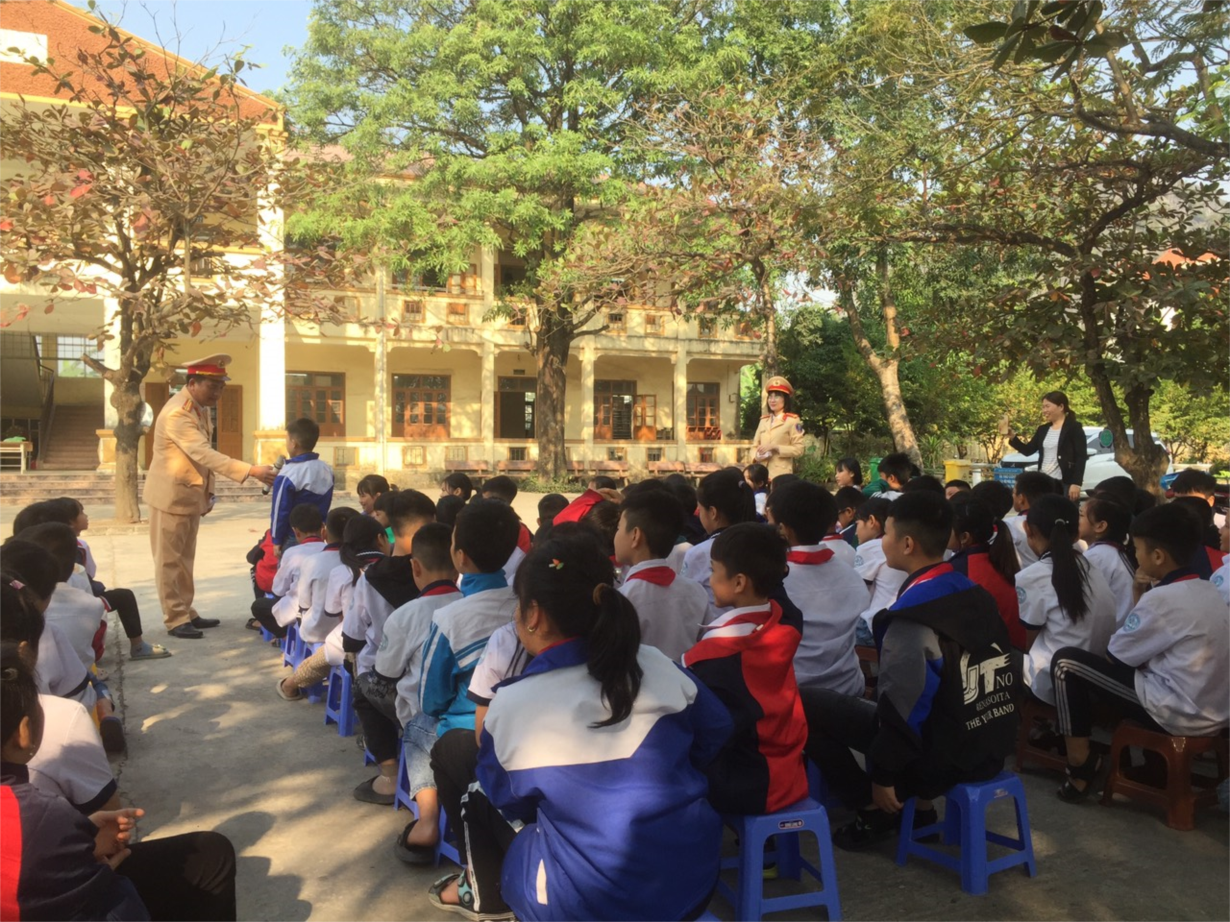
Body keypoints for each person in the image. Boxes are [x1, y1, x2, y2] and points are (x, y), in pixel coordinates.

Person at [427, 533, 731, 922]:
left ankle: (484, 891)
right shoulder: (658, 664)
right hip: (693, 881)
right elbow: (715, 730)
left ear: (533, 614)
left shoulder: (514, 705)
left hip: (585, 904)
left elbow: (510, 800)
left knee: (476, 791)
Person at [802, 492, 1019, 850]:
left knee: (805, 706)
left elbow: (903, 708)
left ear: (907, 544)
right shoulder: (974, 592)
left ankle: (873, 807)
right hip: (990, 743)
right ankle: (920, 809)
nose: (881, 541)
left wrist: (884, 774)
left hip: (940, 757)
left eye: (886, 533)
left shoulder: (913, 617)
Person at [0, 643, 240, 922]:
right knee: (212, 855)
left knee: (209, 851)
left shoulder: (40, 820)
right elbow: (123, 912)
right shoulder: (37, 815)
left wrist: (76, 840)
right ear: (24, 733)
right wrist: (100, 875)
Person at [1051, 503, 1230, 802]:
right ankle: (1151, 768)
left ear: (1157, 556)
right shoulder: (1207, 588)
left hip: (1178, 711)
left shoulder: (1164, 599)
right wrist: (1137, 593)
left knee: (1066, 664)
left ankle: (1080, 766)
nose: (1135, 556)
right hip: (1214, 711)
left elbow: (1116, 657)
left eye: (1137, 549)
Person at [143, 355, 276, 638]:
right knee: (169, 561)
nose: (218, 393)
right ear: (193, 383)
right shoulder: (178, 413)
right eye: (212, 387)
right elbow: (203, 453)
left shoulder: (198, 408)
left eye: (221, 387)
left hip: (188, 496)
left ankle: (186, 610)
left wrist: (208, 494)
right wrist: (251, 470)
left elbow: (201, 460)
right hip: (170, 498)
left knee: (184, 560)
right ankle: (175, 618)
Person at [680, 523, 807, 815]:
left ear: (739, 583)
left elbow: (707, 731)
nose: (710, 579)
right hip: (789, 768)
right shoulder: (786, 621)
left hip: (749, 783)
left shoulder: (717, 655)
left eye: (713, 570)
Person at [377, 523, 463, 864]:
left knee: (415, 724)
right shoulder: (472, 605)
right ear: (458, 564)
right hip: (474, 714)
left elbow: (386, 672)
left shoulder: (405, 615)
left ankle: (426, 815)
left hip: (425, 714)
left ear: (415, 566)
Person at [0, 575, 120, 816]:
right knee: (96, 685)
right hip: (58, 830)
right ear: (25, 653)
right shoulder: (60, 719)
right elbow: (111, 813)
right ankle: (106, 709)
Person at [348, 492, 435, 804]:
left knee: (363, 685)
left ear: (389, 529)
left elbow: (352, 635)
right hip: (442, 688)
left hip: (396, 689)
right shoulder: (451, 576)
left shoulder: (369, 578)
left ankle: (389, 775)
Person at [766, 481, 867, 695]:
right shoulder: (850, 574)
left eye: (770, 521)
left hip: (793, 694)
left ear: (783, 529)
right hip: (847, 690)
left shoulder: (771, 580)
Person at [1016, 495, 1117, 705]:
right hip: (1093, 677)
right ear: (1076, 533)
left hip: (1052, 681)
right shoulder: (1092, 566)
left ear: (1028, 529)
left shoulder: (1031, 576)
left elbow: (1027, 641)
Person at [614, 490, 709, 661]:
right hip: (688, 677)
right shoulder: (696, 591)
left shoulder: (623, 599)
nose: (615, 534)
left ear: (635, 536)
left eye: (619, 528)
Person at [276, 507, 358, 699]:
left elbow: (304, 603)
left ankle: (292, 684)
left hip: (322, 631)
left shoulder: (314, 561)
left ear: (324, 532)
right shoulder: (362, 565)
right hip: (357, 636)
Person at [947, 493, 1024, 649]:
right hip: (1016, 651)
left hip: (993, 655)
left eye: (945, 527)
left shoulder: (959, 571)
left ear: (965, 537)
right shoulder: (1000, 557)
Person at [682, 468, 758, 624]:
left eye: (700, 509)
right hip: (759, 628)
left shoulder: (700, 553)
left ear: (713, 512)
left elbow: (686, 601)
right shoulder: (760, 544)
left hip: (716, 632)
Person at [251, 504, 325, 639]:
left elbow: (278, 589)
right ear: (322, 528)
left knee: (259, 606)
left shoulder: (292, 553)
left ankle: (286, 637)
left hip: (301, 613)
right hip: (327, 613)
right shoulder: (331, 551)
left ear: (296, 532)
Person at [1003, 390, 1087, 502]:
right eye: (1043, 407)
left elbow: (1081, 457)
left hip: (1064, 483)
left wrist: (1076, 483)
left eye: (1047, 406)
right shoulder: (1043, 429)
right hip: (1044, 483)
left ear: (1061, 407)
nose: (1044, 411)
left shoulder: (1074, 428)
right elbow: (1028, 450)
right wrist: (1013, 437)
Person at [268, 417, 334, 551]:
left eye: (287, 440)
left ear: (293, 443)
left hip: (294, 537)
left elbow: (280, 510)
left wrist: (276, 540)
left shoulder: (289, 473)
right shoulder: (326, 469)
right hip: (318, 536)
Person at [852, 498, 907, 647]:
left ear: (871, 521)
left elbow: (858, 593)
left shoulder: (870, 547)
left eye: (857, 524)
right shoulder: (903, 544)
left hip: (872, 626)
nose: (855, 532)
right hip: (900, 623)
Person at [1078, 497, 1137, 626]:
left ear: (1100, 526)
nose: (1076, 521)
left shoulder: (1096, 556)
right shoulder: (1110, 552)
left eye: (1081, 515)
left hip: (1112, 631)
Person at [750, 376, 805, 481]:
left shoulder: (793, 421)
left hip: (781, 476)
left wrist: (776, 447)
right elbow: (754, 446)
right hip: (761, 474)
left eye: (777, 396)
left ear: (785, 399)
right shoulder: (763, 421)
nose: (772, 400)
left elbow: (799, 450)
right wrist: (756, 456)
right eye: (770, 396)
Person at [1007, 471, 1062, 568]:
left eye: (1014, 492)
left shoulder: (1009, 525)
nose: (1012, 496)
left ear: (1021, 498)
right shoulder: (1060, 522)